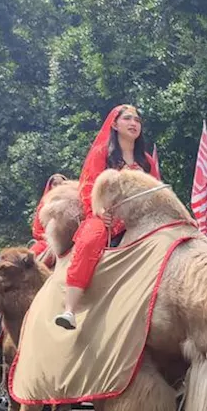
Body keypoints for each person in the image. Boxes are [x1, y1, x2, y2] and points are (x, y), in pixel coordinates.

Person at [54, 105, 161, 330]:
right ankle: (70, 309)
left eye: (137, 120)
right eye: (128, 119)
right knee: (91, 238)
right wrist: (99, 211)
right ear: (114, 124)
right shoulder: (102, 153)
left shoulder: (147, 161)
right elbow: (89, 185)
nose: (134, 123)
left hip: (139, 217)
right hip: (107, 215)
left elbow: (156, 190)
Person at [30, 172, 69, 269]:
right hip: (47, 241)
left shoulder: (72, 203)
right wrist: (48, 237)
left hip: (69, 240)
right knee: (30, 259)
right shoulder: (43, 205)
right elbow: (37, 230)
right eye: (55, 184)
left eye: (61, 184)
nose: (58, 186)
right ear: (50, 186)